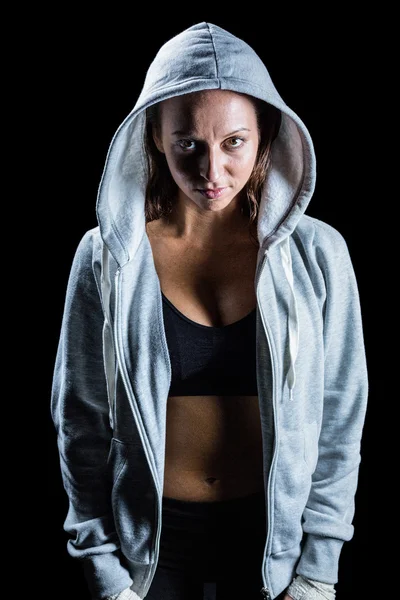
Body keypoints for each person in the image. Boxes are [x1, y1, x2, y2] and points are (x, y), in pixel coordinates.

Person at [50, 22, 369, 600]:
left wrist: (319, 569)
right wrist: (101, 563)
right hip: (148, 554)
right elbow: (80, 419)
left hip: (275, 550)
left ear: (266, 131)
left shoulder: (318, 254)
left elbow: (341, 413)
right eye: (188, 144)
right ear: (154, 136)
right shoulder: (107, 257)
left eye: (233, 143)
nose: (210, 172)